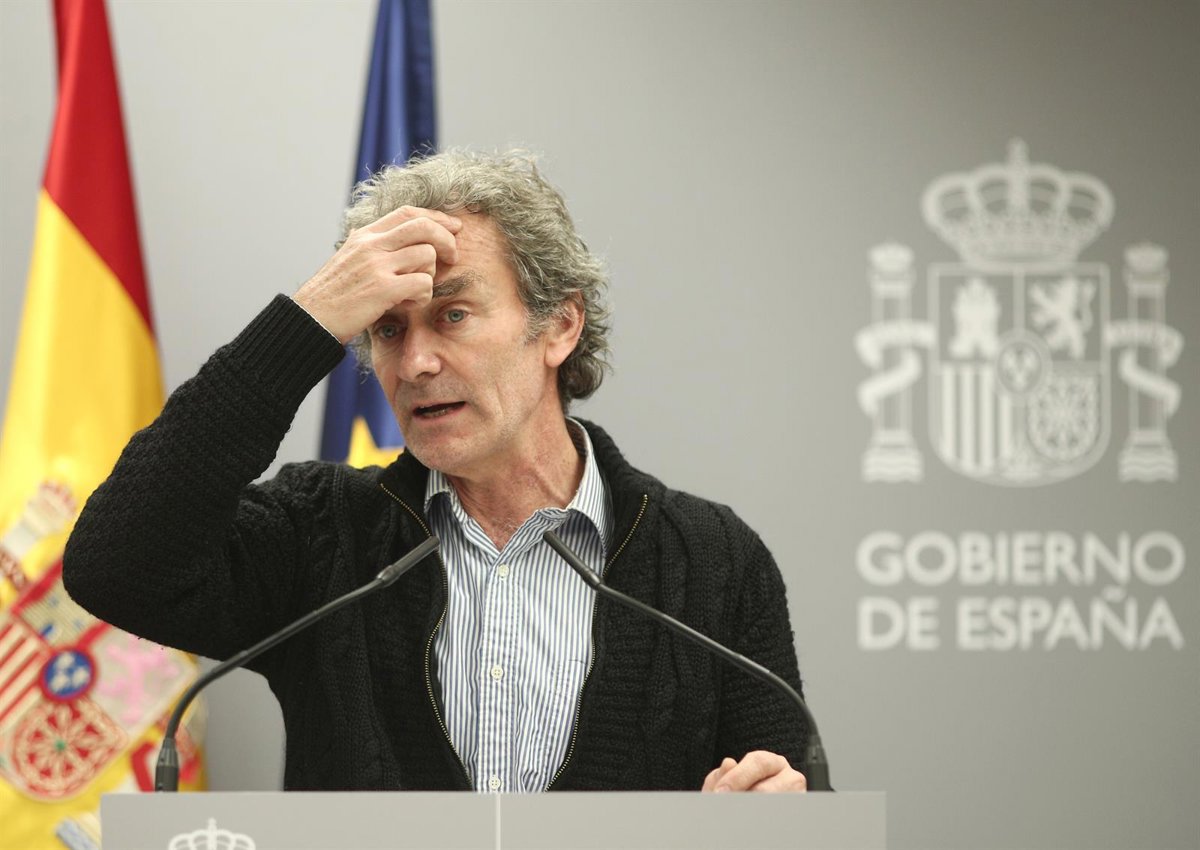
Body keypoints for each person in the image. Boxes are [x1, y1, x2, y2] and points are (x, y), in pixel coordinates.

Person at [63, 150, 809, 793]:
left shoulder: (711, 559)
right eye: (388, 329)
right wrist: (306, 322)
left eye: (452, 315)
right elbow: (115, 565)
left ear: (559, 325)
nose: (416, 362)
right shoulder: (325, 535)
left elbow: (786, 791)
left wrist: (774, 810)